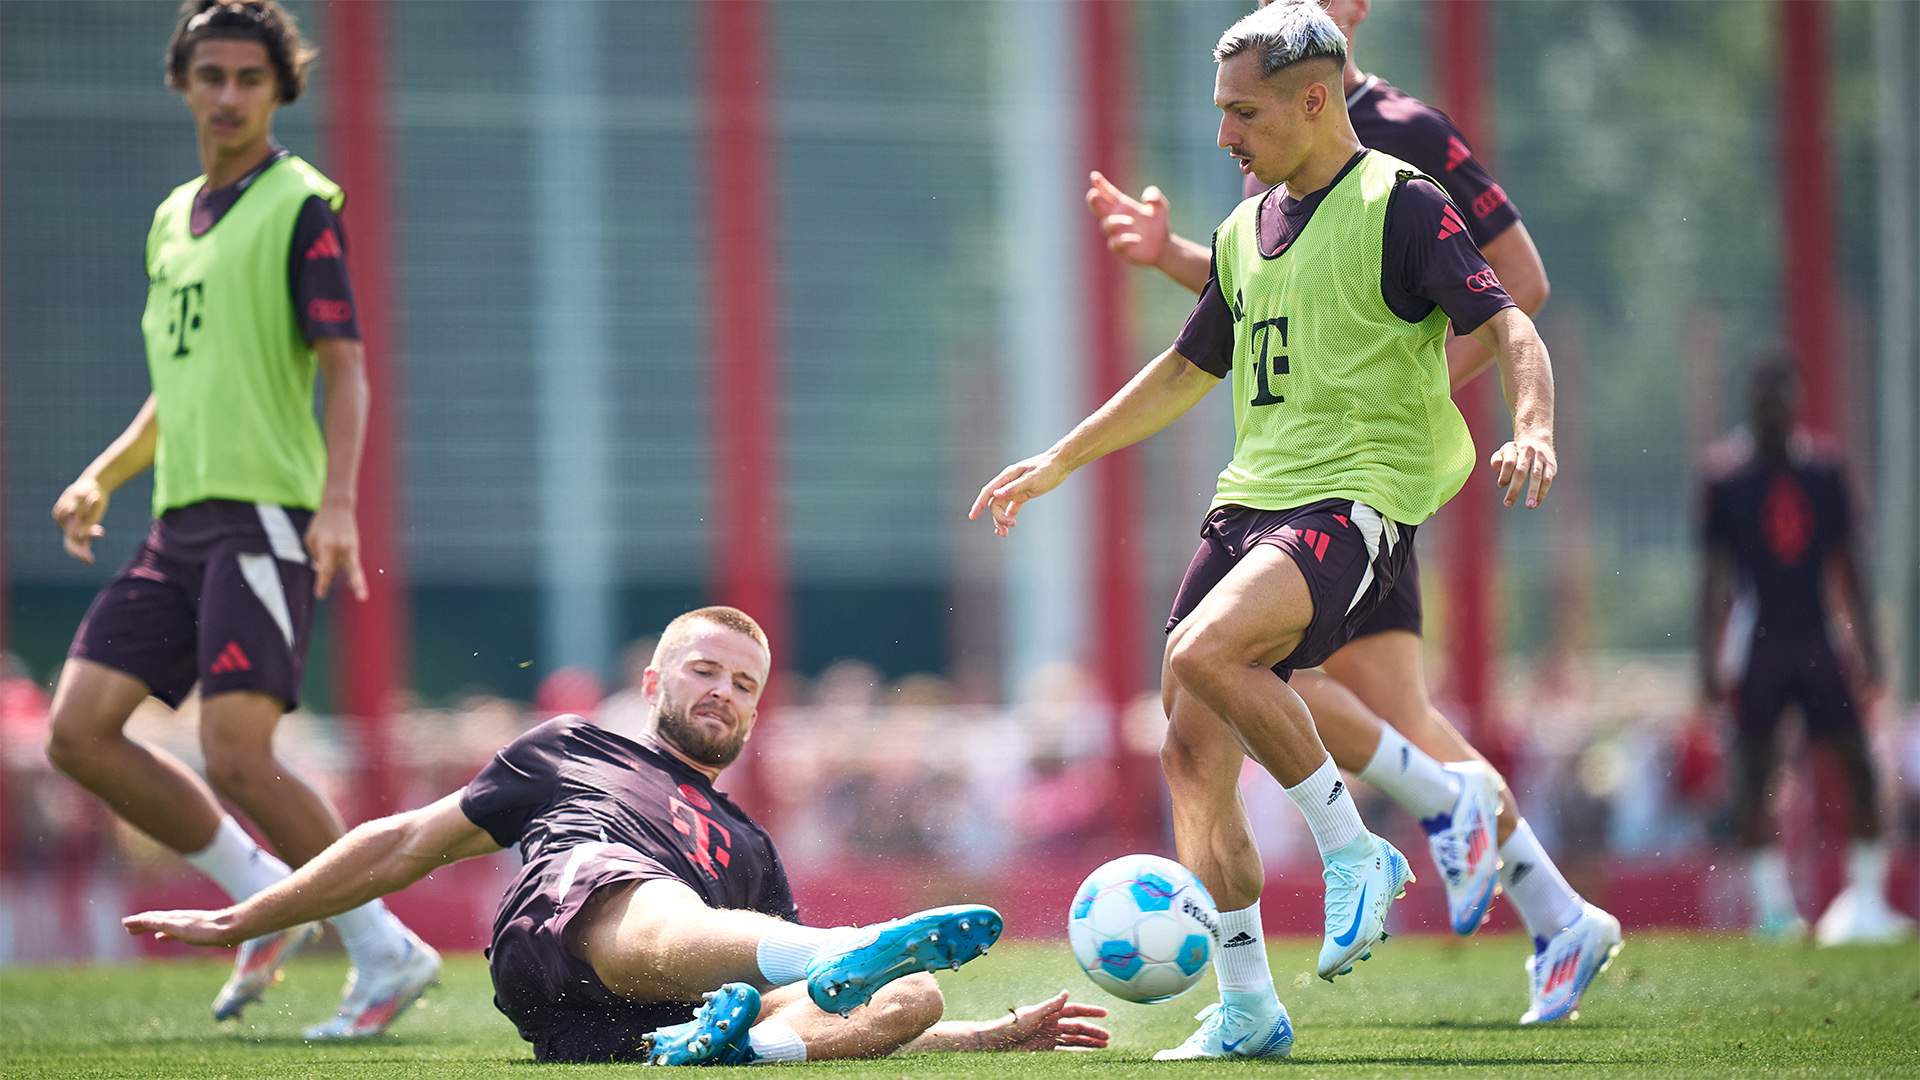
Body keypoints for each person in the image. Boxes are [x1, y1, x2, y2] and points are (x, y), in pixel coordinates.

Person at [975, 2, 1555, 1059]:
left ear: (1315, 99)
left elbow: (1510, 315)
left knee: (1210, 651)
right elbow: (1188, 370)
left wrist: (1536, 428)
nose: (1223, 136)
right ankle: (1247, 1003)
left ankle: (1354, 850)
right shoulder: (1247, 231)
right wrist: (1060, 457)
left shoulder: (1400, 202)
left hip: (1354, 499)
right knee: (1188, 745)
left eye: (1241, 113)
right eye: (1221, 112)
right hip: (1249, 502)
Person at [126, 607, 1112, 1064]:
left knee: (910, 991)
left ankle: (731, 1055)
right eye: (703, 671)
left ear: (757, 713)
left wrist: (995, 1036)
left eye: (742, 685)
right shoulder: (572, 748)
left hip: (640, 1032)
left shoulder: (750, 845)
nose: (721, 694)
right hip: (567, 931)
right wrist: (252, 914)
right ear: (653, 681)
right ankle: (824, 961)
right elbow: (400, 844)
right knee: (663, 903)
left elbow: (825, 1008)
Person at [42, 0, 434, 1039]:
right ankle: (265, 894)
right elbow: (181, 387)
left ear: (279, 90)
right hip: (178, 524)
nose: (227, 96)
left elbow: (346, 373)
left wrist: (337, 503)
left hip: (265, 516)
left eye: (248, 80)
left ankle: (383, 946)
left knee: (237, 753)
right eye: (209, 75)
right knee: (77, 734)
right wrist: (104, 474)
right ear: (181, 82)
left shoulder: (302, 202)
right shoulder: (173, 219)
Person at [1698, 358, 1913, 945]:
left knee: (1860, 771)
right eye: (1763, 397)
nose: (1773, 408)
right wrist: (1706, 660)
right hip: (1757, 643)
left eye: (1781, 396)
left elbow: (1852, 567)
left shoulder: (1825, 472)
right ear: (1751, 403)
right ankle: (1772, 913)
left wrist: (1869, 648)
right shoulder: (1727, 478)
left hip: (1819, 638)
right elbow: (1713, 579)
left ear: (1797, 401)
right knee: (1755, 776)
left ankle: (1864, 904)